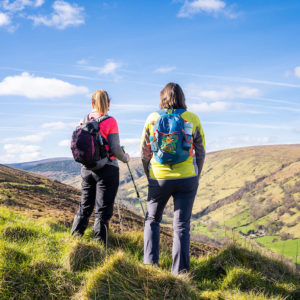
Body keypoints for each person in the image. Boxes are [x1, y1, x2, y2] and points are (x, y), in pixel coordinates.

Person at [141, 82, 205, 274]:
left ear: (163, 98)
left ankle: (150, 266)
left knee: (152, 219)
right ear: (182, 97)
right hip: (187, 177)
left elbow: (144, 152)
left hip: (159, 177)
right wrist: (196, 175)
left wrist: (150, 175)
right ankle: (180, 272)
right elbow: (200, 151)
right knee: (182, 225)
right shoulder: (192, 118)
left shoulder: (152, 118)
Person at [71, 89, 130, 244]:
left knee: (84, 207)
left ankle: (74, 241)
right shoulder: (110, 121)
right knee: (102, 212)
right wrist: (125, 158)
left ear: (92, 103)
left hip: (87, 169)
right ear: (109, 104)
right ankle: (98, 246)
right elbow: (115, 149)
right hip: (107, 169)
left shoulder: (83, 120)